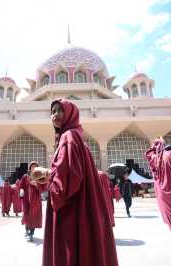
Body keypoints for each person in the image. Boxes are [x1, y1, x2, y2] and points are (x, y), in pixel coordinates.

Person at [32, 99, 118, 266]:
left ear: (71, 114)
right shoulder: (76, 136)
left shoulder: (68, 137)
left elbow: (68, 179)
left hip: (70, 212)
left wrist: (46, 173)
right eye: (53, 111)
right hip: (80, 209)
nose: (55, 115)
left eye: (60, 110)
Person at [145, 137, 171, 230]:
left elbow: (148, 154)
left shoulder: (154, 159)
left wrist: (157, 144)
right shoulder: (168, 155)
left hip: (163, 195)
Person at [19, 161, 46, 242]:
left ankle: (31, 234)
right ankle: (27, 230)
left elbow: (44, 188)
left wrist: (36, 185)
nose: (33, 167)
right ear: (29, 167)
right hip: (26, 200)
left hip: (35, 200)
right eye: (32, 166)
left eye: (35, 166)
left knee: (33, 217)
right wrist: (21, 190)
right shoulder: (25, 176)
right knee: (26, 216)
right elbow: (21, 185)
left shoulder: (39, 176)